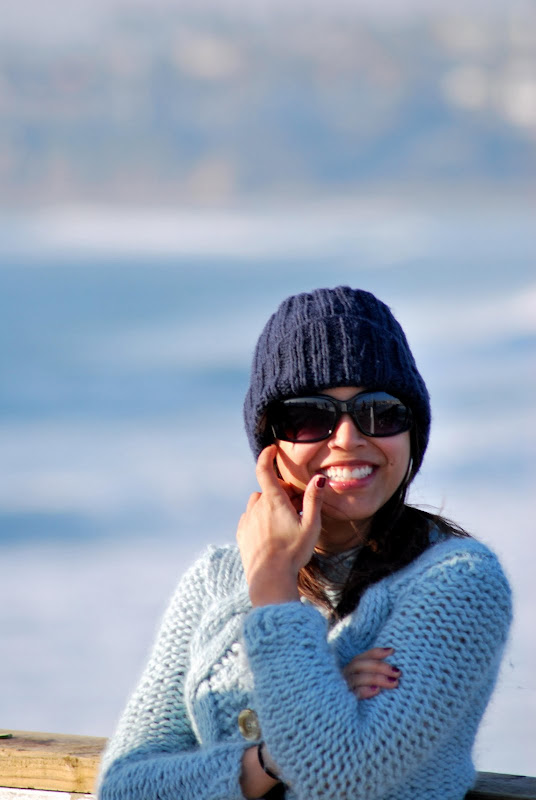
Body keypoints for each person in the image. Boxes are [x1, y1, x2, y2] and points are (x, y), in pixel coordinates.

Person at [97, 286, 512, 800]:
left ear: (413, 433)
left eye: (380, 412)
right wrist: (276, 751)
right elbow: (125, 786)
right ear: (269, 442)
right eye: (309, 417)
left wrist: (274, 587)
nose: (348, 439)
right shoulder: (215, 579)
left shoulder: (459, 582)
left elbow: (339, 775)